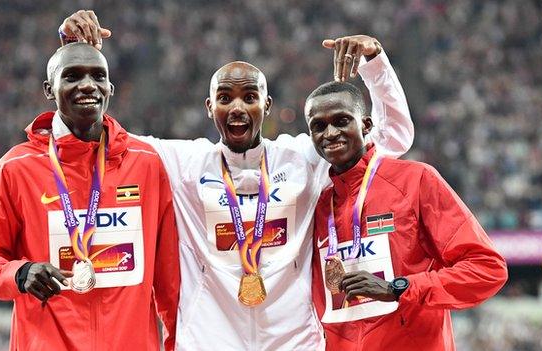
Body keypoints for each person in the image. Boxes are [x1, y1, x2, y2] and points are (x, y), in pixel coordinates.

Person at [58, 11, 414, 350]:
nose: (238, 108)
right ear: (210, 107)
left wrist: (375, 62)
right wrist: (71, 51)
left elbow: (394, 137)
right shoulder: (181, 162)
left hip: (294, 340)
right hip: (207, 340)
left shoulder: (304, 157)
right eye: (225, 98)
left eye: (250, 97)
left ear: (267, 105)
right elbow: (96, 134)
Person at [0, 43, 180, 351]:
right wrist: (20, 273)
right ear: (50, 89)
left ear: (110, 88)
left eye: (97, 76)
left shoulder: (145, 162)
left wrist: (173, 344)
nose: (87, 85)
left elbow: (169, 280)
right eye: (72, 76)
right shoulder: (17, 168)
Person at [305, 81, 508, 350]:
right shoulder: (315, 206)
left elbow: (487, 269)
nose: (330, 133)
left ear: (366, 125)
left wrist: (397, 288)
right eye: (318, 126)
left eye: (341, 121)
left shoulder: (415, 180)